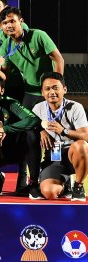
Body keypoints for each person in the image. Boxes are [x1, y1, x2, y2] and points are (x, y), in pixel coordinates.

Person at [0, 6, 65, 109]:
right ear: (1, 26)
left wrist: (56, 86)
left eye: (12, 21)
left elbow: (58, 59)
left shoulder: (38, 35)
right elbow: (6, 76)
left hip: (49, 90)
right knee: (28, 121)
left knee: (52, 122)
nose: (9, 25)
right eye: (5, 23)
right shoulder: (5, 47)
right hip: (30, 92)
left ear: (21, 21)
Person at [31, 72, 86, 201]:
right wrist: (41, 131)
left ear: (64, 89)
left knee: (81, 145)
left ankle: (78, 186)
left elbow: (86, 135)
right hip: (54, 157)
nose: (52, 92)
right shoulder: (38, 109)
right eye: (47, 89)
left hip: (72, 155)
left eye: (56, 88)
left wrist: (64, 131)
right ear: (42, 92)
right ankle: (65, 185)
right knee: (49, 192)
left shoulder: (75, 107)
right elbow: (30, 127)